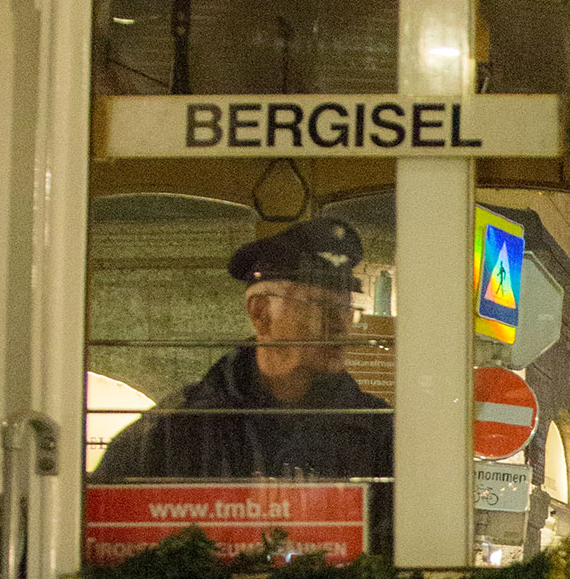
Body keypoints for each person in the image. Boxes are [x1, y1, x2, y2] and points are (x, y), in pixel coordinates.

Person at [93, 218, 393, 536]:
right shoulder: (177, 430)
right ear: (261, 313)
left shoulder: (378, 432)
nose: (340, 325)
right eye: (319, 306)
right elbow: (107, 531)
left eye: (347, 309)